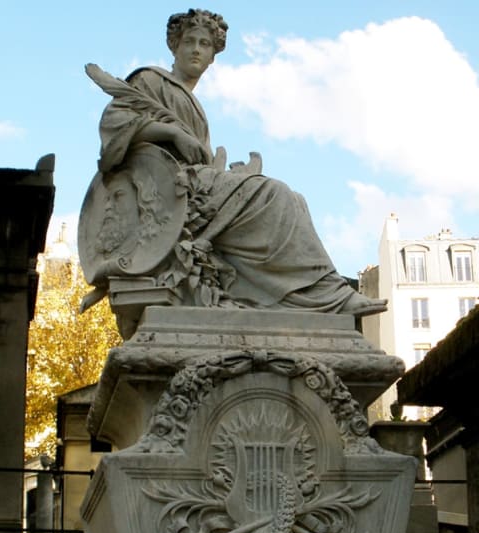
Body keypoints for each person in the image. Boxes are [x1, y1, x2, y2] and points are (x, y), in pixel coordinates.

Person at [84, 9, 386, 317]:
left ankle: (304, 297)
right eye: (189, 41)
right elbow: (115, 124)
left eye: (205, 44)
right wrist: (171, 132)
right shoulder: (150, 80)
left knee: (295, 200)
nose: (197, 49)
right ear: (174, 46)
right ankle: (328, 295)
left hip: (196, 188)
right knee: (275, 195)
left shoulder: (192, 103)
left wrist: (232, 174)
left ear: (213, 57)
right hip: (167, 194)